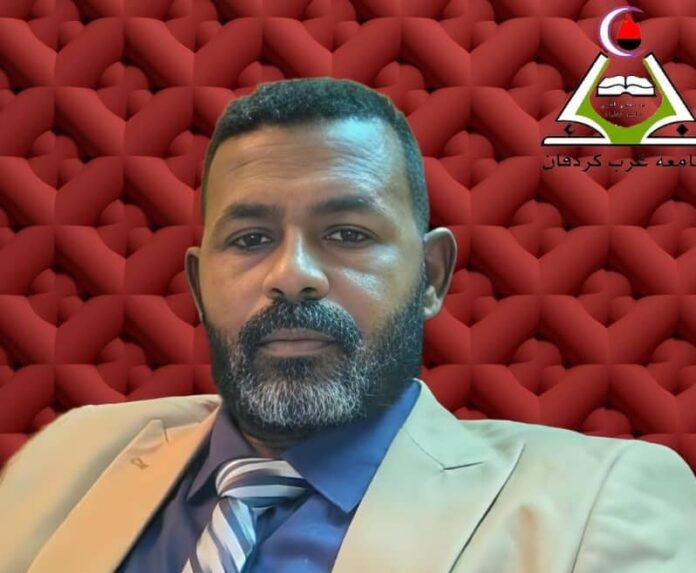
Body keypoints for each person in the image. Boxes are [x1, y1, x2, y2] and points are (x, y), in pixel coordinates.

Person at [1, 77, 695, 573]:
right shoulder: (70, 454)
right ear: (197, 284)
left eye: (347, 233)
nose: (292, 274)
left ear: (431, 276)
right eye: (249, 239)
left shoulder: (600, 499)